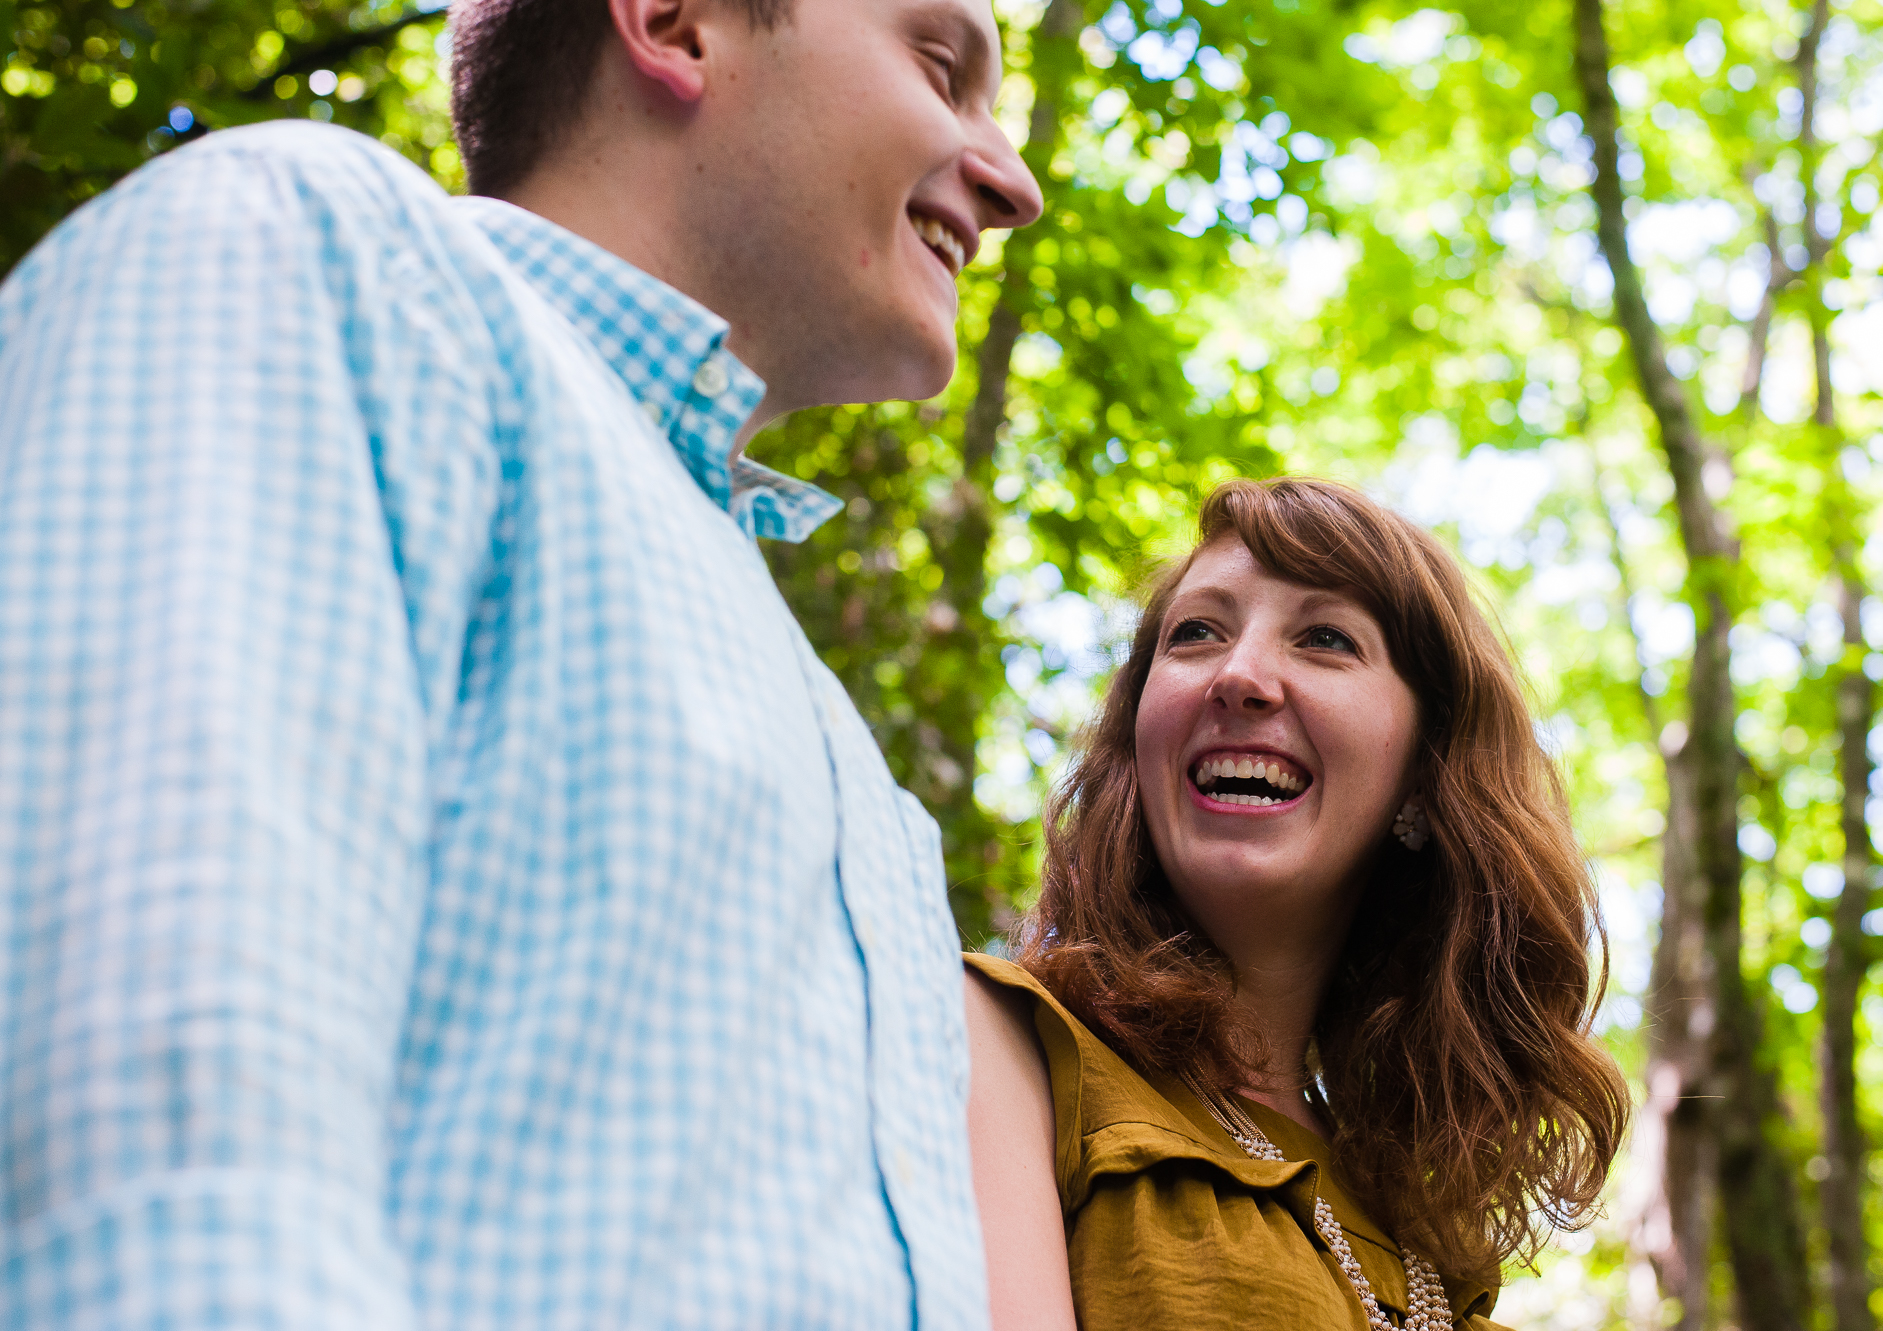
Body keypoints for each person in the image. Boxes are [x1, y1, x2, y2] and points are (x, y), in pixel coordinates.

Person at [0, 0, 1040, 1325]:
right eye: (942, 69)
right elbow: (167, 1150)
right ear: (674, 24)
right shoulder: (322, 260)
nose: (1011, 181)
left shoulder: (840, 748)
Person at [962, 478, 1629, 1330]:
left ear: (1425, 776)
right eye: (1196, 632)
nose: (1240, 676)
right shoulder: (1003, 1039)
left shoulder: (1422, 1234)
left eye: (1324, 639)